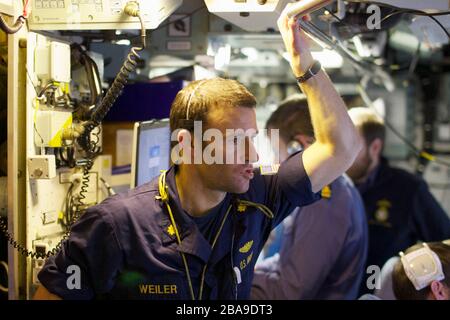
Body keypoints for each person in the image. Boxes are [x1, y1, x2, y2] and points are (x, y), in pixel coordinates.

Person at [33, 5, 362, 300]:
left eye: (252, 138)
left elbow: (341, 148)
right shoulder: (117, 225)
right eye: (234, 141)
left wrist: (306, 66)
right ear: (187, 146)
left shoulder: (259, 195)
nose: (252, 156)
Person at [251, 95, 368, 300]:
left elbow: (289, 292)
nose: (275, 162)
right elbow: (287, 261)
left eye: (276, 151)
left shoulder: (323, 200)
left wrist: (227, 286)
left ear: (300, 146)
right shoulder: (329, 186)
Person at [346, 107, 450, 294]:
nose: (344, 153)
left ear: (375, 147)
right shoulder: (334, 187)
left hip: (382, 292)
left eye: (352, 145)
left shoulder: (407, 189)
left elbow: (445, 240)